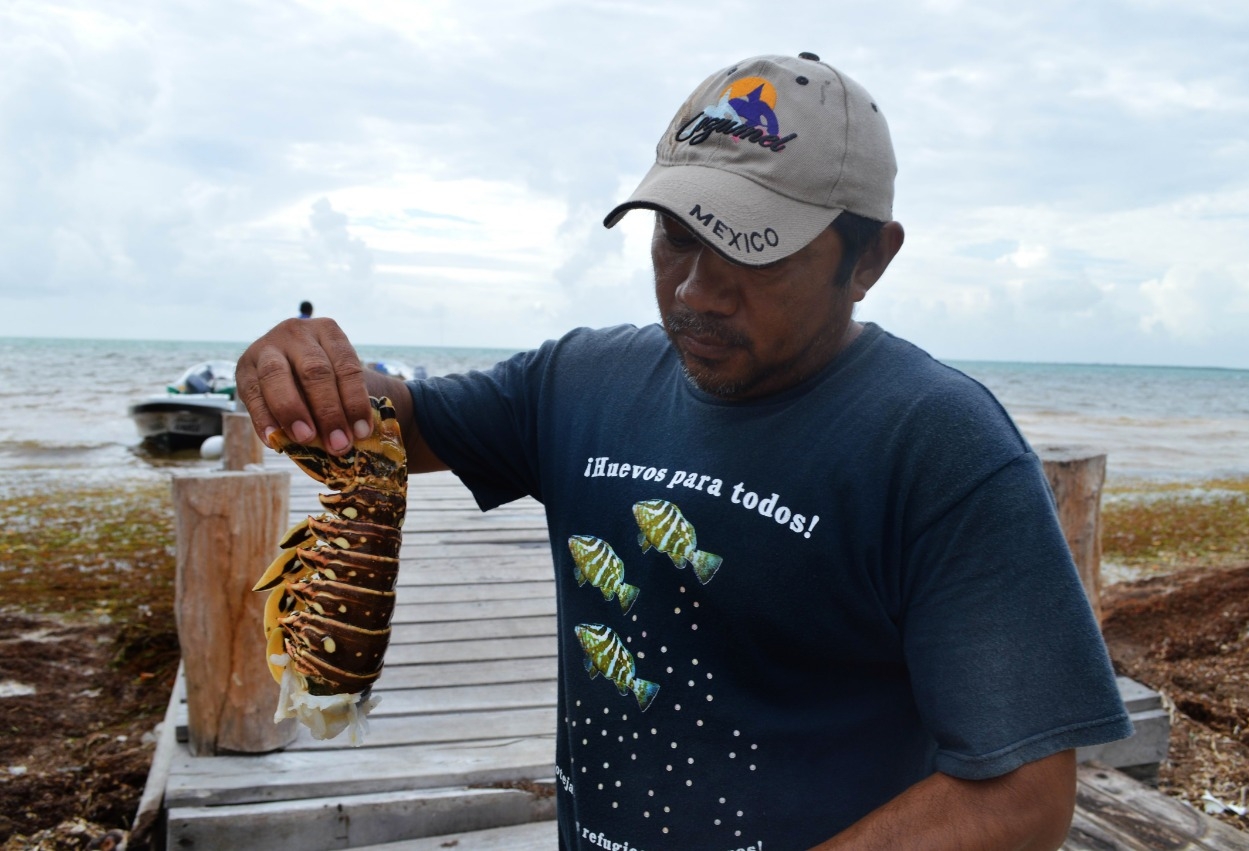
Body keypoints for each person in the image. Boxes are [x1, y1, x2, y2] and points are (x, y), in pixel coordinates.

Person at [237, 53, 1132, 849]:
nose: (697, 290)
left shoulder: (940, 445)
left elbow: (1023, 801)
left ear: (869, 260)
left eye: (757, 250)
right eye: (676, 234)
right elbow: (398, 424)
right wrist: (304, 369)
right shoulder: (578, 381)